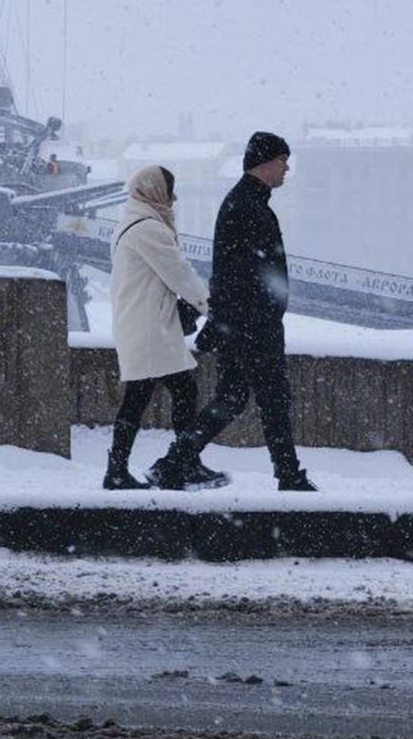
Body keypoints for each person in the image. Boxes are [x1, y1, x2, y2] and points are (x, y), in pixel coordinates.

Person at [147, 131, 317, 492]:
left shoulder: (245, 203)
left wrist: (224, 319)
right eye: (282, 160)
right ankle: (289, 476)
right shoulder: (247, 206)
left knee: (234, 397)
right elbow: (236, 273)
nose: (287, 167)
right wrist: (245, 318)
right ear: (265, 162)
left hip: (246, 323)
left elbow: (232, 272)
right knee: (272, 398)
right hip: (254, 325)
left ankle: (173, 464)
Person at [103, 166, 211, 490]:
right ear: (156, 192)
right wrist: (210, 304)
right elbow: (178, 272)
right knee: (178, 392)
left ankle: (121, 469)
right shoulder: (148, 228)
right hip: (150, 328)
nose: (174, 198)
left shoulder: (129, 223)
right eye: (170, 190)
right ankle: (181, 463)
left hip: (142, 323)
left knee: (147, 397)